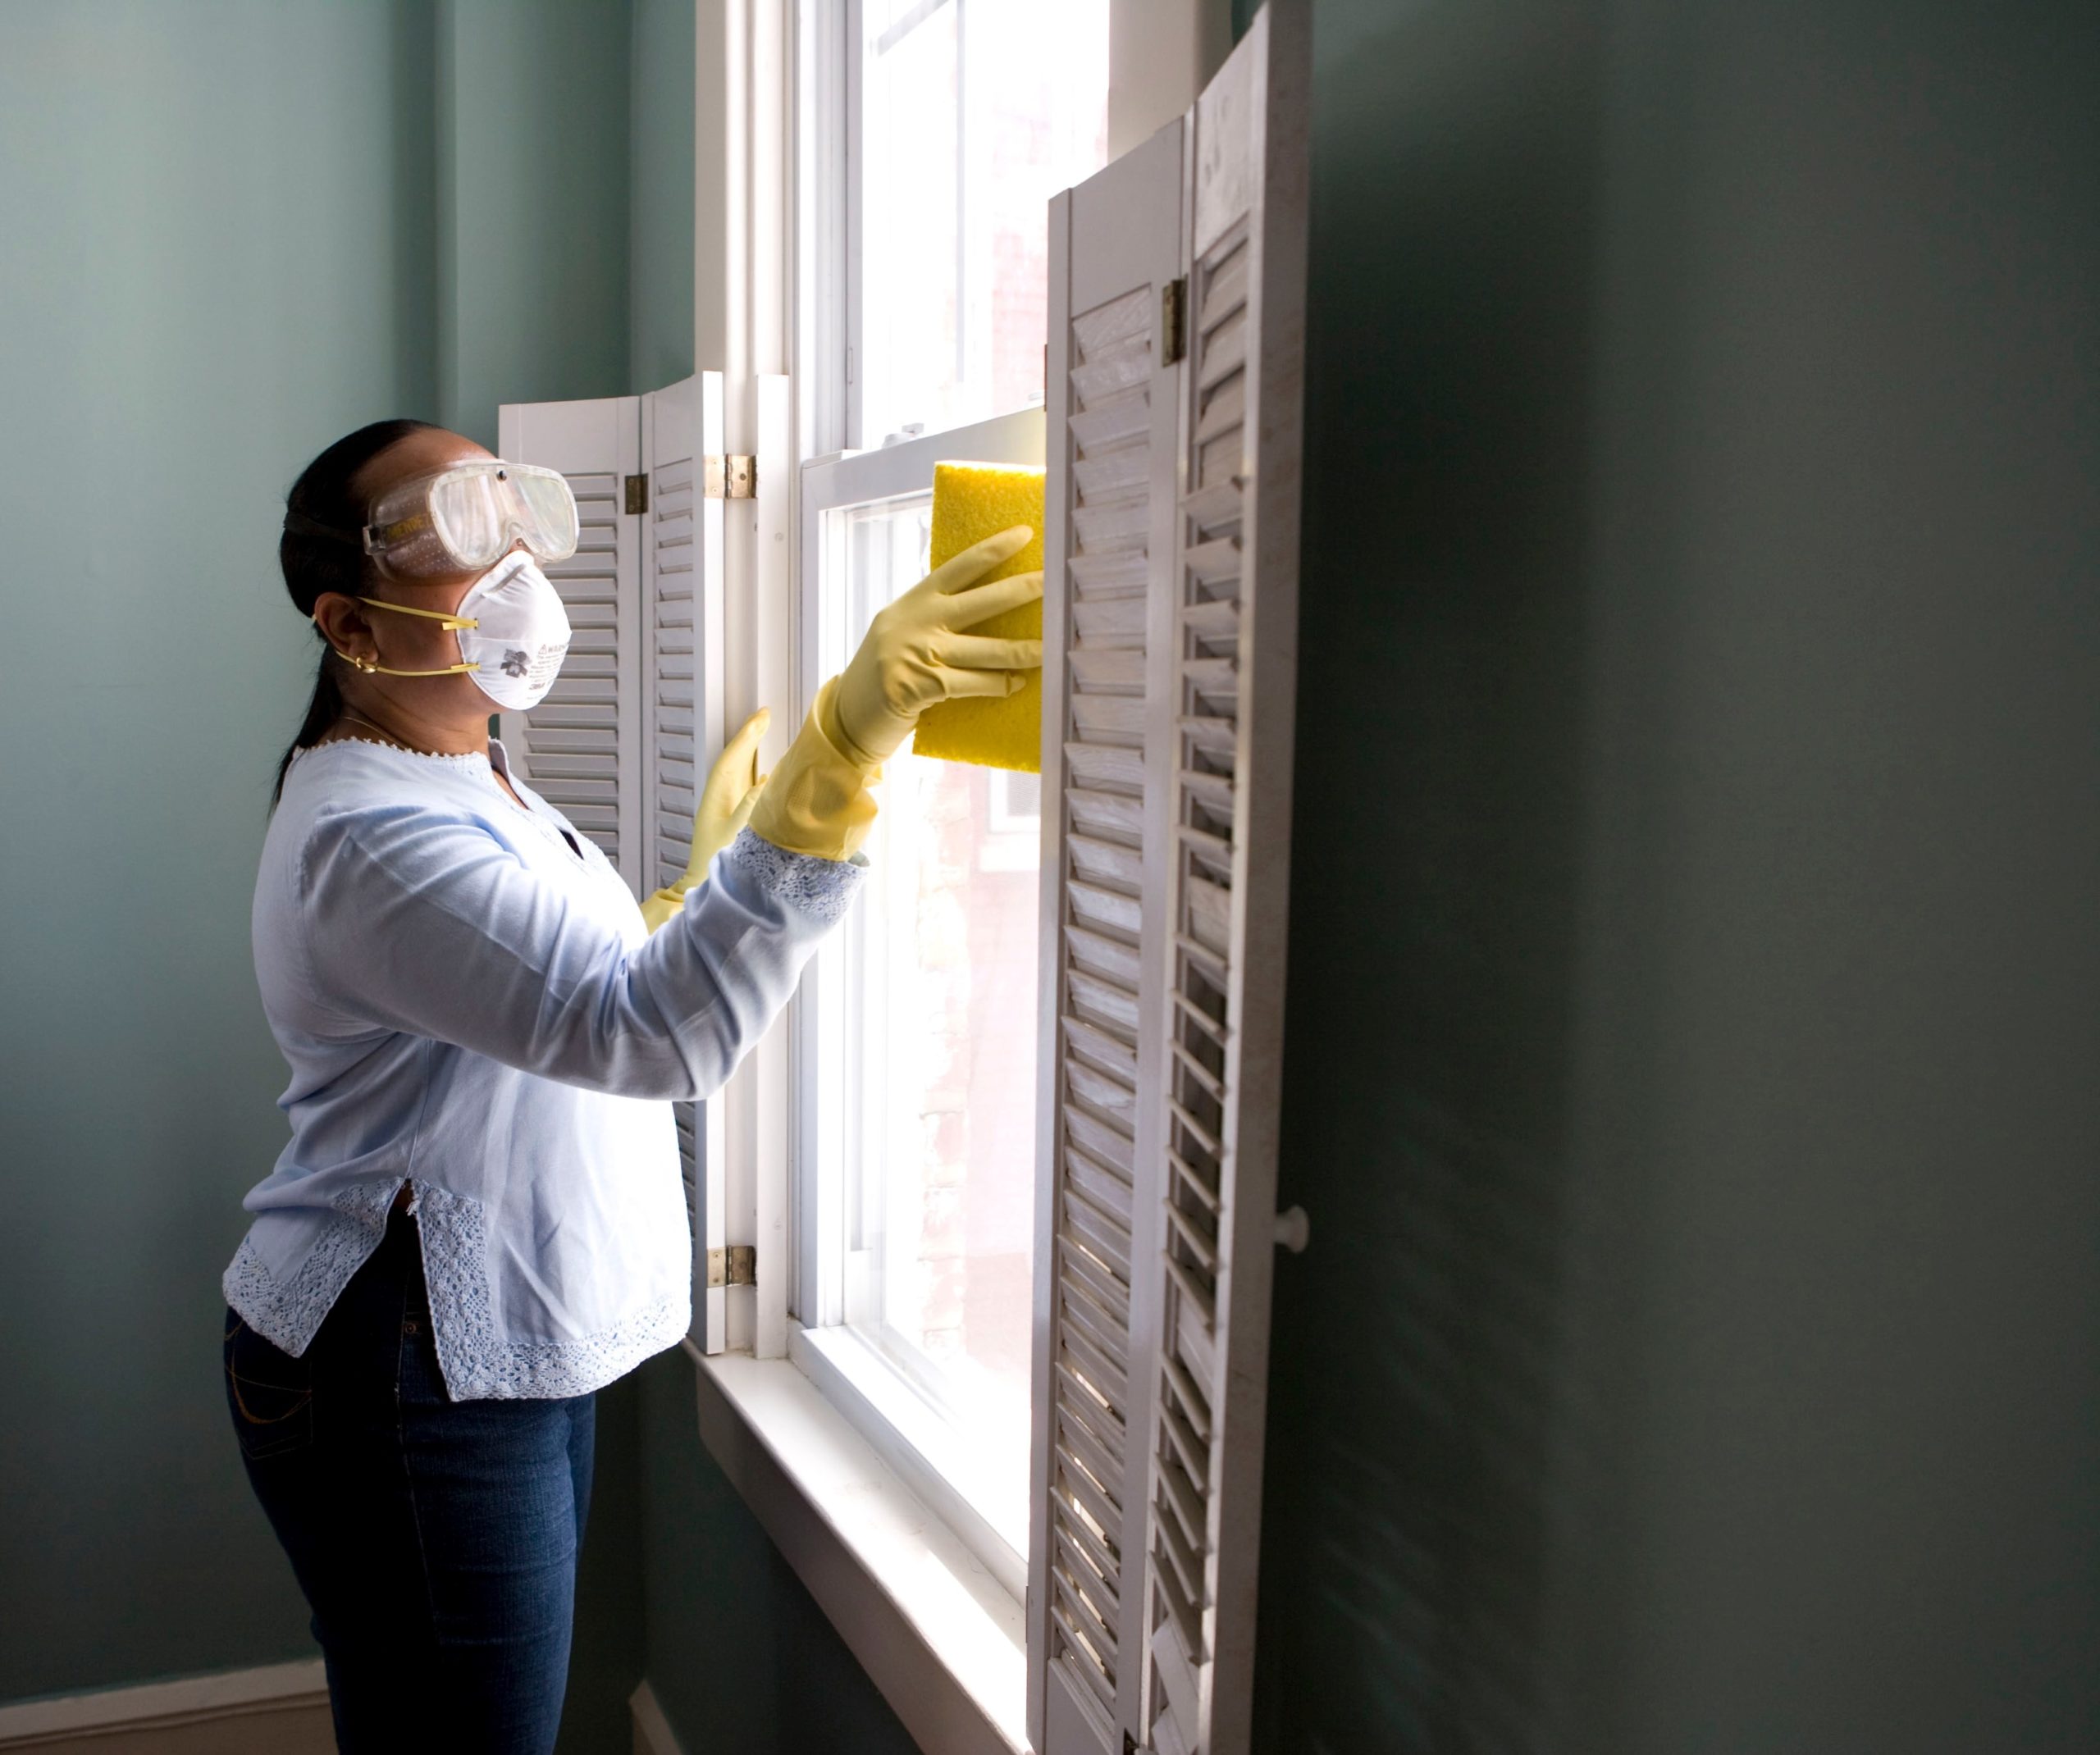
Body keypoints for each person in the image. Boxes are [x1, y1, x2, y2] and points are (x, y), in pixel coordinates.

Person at [220, 418, 1041, 1752]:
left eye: (514, 503)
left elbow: (542, 992)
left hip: (475, 1347)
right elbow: (651, 1038)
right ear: (351, 625)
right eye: (455, 526)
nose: (517, 554)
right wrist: (840, 753)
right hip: (400, 1360)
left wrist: (684, 896)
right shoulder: (369, 831)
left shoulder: (466, 771)